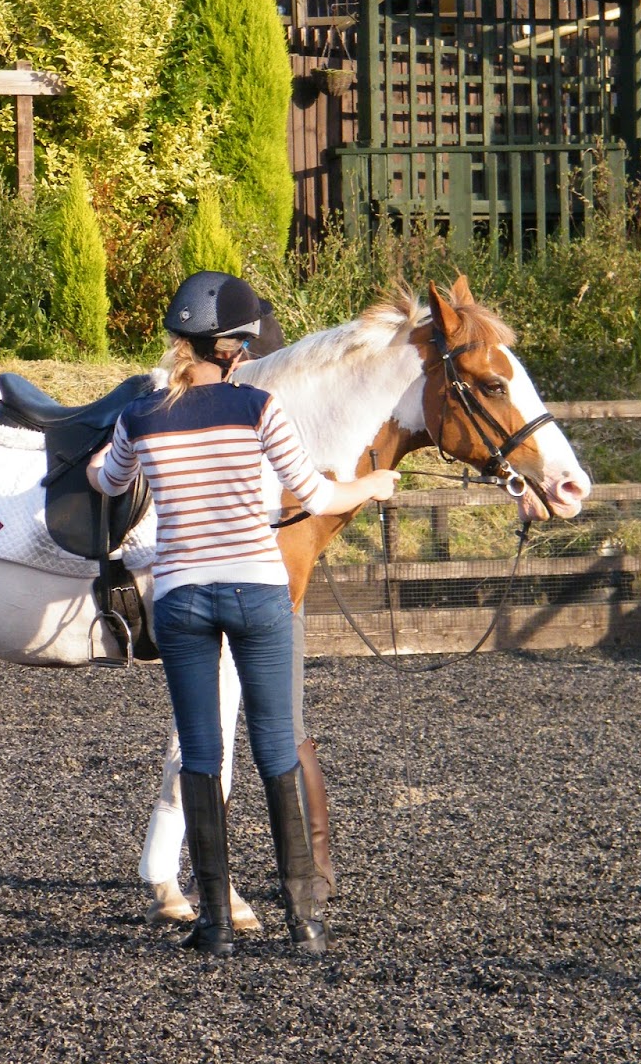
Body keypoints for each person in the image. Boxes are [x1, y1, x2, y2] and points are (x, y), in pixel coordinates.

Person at [89, 271, 399, 957]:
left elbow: (108, 480)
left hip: (181, 598)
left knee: (202, 753)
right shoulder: (260, 407)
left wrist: (102, 464)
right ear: (234, 350)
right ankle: (304, 922)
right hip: (257, 592)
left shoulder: (140, 416)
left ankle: (215, 925)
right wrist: (372, 484)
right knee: (274, 747)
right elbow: (315, 496)